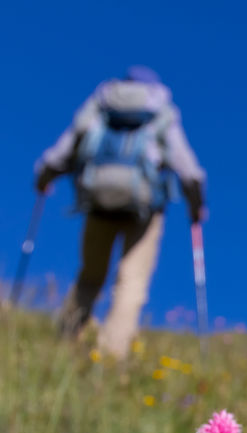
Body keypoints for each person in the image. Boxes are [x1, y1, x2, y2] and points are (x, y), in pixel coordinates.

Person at [35, 65, 206, 357]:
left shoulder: (102, 104)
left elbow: (65, 148)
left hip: (98, 201)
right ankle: (111, 357)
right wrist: (196, 206)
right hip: (144, 208)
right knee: (131, 283)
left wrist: (45, 178)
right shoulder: (161, 110)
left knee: (89, 276)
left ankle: (64, 343)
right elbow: (187, 168)